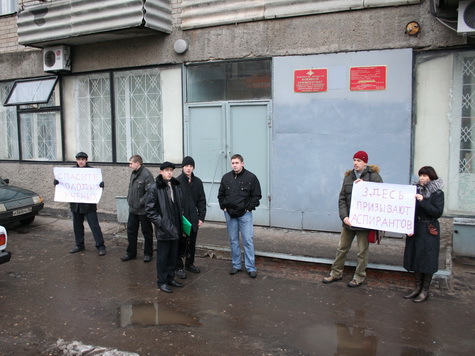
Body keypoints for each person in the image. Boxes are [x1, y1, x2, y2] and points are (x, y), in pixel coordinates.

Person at [323, 151, 382, 287]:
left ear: (365, 162)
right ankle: (335, 274)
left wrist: (366, 186)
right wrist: (344, 217)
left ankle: (359, 277)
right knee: (341, 248)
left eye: (359, 160)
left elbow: (380, 198)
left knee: (362, 251)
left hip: (364, 223)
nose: (355, 163)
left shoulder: (374, 177)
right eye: (354, 160)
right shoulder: (348, 177)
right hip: (349, 222)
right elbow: (342, 198)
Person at [403, 166, 444, 303]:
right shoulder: (414, 192)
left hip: (428, 228)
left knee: (427, 259)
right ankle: (417, 288)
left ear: (431, 177)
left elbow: (437, 212)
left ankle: (425, 290)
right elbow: (408, 210)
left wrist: (423, 201)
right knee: (415, 257)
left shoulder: (437, 194)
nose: (422, 178)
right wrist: (408, 226)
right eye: (421, 175)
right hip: (416, 227)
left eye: (425, 176)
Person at [218, 154, 262, 278]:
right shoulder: (226, 178)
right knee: (233, 241)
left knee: (248, 240)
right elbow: (221, 195)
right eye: (232, 163)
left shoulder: (251, 178)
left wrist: (248, 208)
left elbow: (257, 196)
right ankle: (236, 265)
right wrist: (224, 207)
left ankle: (250, 267)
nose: (234, 165)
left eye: (237, 163)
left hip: (244, 215)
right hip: (230, 214)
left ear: (242, 163)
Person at [54, 152, 106, 256]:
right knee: (77, 226)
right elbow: (65, 183)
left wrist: (100, 185)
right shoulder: (71, 172)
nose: (81, 161)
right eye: (79, 159)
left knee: (94, 226)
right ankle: (79, 245)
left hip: (88, 205)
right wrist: (57, 183)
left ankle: (100, 246)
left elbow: (96, 185)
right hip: (76, 204)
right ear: (76, 160)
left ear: (86, 160)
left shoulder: (92, 172)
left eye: (83, 159)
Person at [145, 161, 184, 293]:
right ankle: (161, 281)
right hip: (164, 228)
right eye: (166, 170)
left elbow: (179, 206)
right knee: (162, 257)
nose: (169, 173)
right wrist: (162, 223)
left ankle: (170, 278)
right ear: (161, 172)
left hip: (176, 227)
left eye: (171, 170)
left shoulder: (176, 186)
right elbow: (150, 210)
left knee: (173, 256)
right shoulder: (154, 188)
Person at [175, 156, 207, 279]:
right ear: (182, 167)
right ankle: (178, 267)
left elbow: (201, 200)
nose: (188, 168)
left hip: (193, 218)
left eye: (191, 166)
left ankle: (189, 264)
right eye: (186, 166)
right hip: (182, 219)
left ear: (193, 167)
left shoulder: (197, 182)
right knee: (180, 243)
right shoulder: (177, 182)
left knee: (191, 243)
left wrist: (201, 217)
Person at [121, 155, 155, 263]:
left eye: (131, 163)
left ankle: (148, 253)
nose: (129, 165)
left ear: (138, 163)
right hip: (133, 209)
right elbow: (131, 189)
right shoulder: (134, 173)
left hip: (143, 210)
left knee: (147, 232)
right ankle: (131, 253)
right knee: (131, 231)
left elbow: (150, 192)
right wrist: (129, 199)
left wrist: (141, 202)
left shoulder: (146, 175)